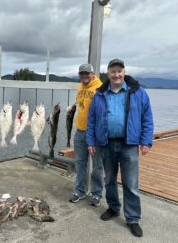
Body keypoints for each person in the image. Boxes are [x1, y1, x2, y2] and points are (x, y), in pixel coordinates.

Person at [87, 59, 154, 237]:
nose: (116, 74)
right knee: (109, 180)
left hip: (129, 144)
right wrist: (90, 141)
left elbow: (147, 118)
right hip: (106, 144)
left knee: (131, 183)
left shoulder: (138, 93)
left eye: (119, 71)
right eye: (113, 71)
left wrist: (146, 141)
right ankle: (114, 208)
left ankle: (132, 219)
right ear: (107, 74)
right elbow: (91, 119)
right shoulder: (100, 94)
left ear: (124, 72)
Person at [69, 63, 104, 206]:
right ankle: (80, 190)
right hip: (80, 131)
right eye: (81, 74)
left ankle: (96, 193)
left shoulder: (100, 88)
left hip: (95, 134)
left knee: (97, 166)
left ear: (93, 74)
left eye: (86, 73)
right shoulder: (80, 87)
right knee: (80, 163)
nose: (84, 76)